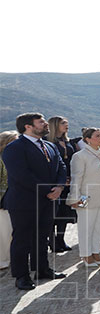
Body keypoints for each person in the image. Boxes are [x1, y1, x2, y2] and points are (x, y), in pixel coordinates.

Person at [2, 113, 68, 290]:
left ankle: (42, 269)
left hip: (49, 200)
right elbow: (22, 175)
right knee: (22, 239)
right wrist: (49, 191)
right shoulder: (14, 148)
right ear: (28, 127)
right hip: (25, 202)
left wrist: (59, 187)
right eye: (41, 122)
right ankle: (21, 276)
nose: (45, 124)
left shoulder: (49, 145)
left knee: (42, 237)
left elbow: (61, 167)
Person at [67, 127, 100, 267]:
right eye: (97, 136)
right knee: (86, 227)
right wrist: (75, 198)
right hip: (85, 197)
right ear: (87, 139)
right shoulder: (79, 156)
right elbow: (76, 179)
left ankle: (96, 252)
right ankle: (86, 254)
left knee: (99, 227)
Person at [47, 116, 77, 253]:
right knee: (53, 213)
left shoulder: (67, 141)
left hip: (68, 180)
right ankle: (52, 241)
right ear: (55, 125)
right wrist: (60, 179)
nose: (66, 125)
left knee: (64, 213)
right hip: (56, 181)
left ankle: (61, 239)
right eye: (63, 123)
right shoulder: (47, 141)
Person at [0, 131, 19, 270]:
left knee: (13, 231)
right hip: (3, 201)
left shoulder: (16, 158)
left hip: (15, 199)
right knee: (4, 232)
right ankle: (3, 260)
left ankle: (12, 258)